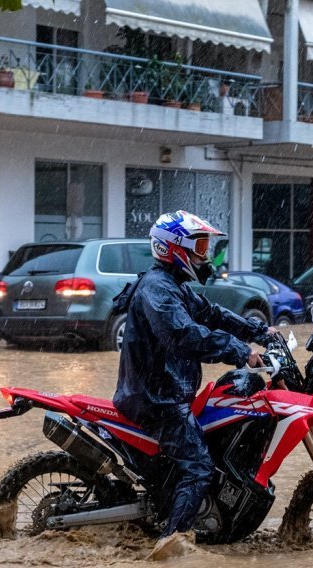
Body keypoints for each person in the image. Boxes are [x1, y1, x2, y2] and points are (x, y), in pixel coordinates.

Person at [112, 210, 275, 560]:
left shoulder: (174, 286)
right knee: (199, 464)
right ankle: (171, 544)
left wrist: (260, 332)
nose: (205, 256)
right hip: (156, 399)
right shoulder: (158, 289)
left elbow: (213, 314)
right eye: (200, 247)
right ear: (175, 249)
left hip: (168, 392)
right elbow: (183, 335)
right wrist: (241, 352)